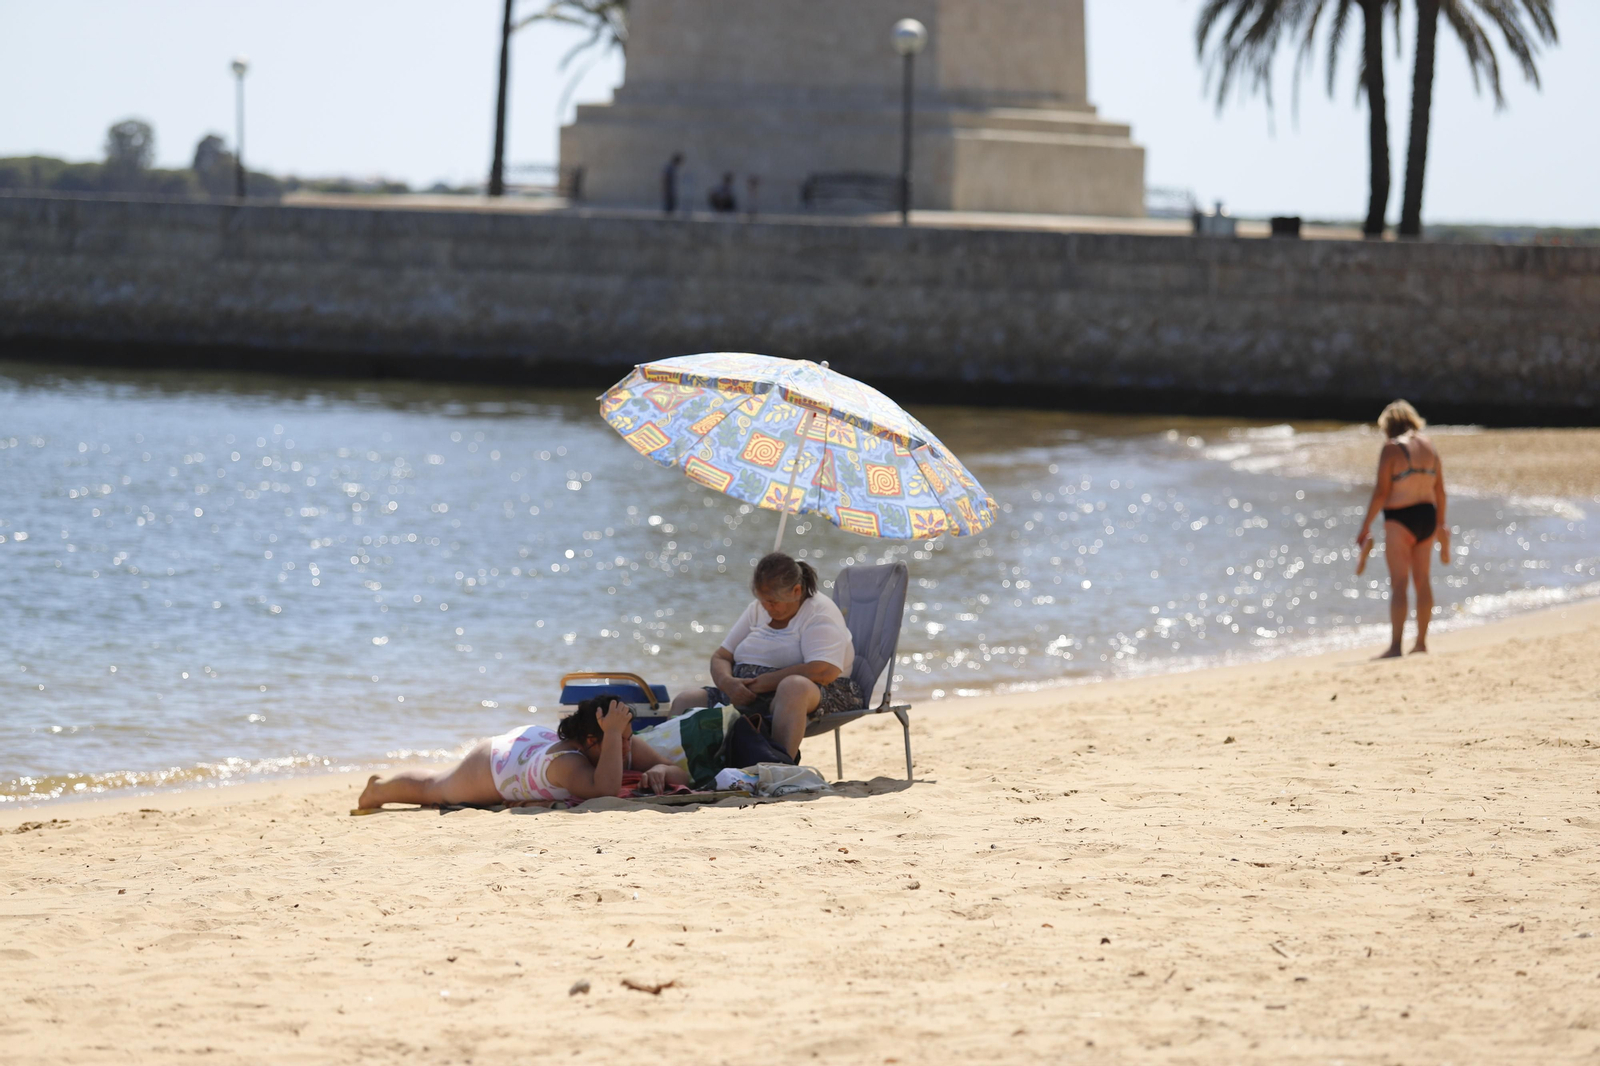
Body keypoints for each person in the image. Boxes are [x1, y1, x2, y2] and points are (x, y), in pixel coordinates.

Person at [669, 552, 863, 760]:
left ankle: (779, 764)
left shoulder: (818, 612)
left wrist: (763, 683)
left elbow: (823, 671)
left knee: (793, 687)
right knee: (686, 700)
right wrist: (728, 683)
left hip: (817, 693)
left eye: (772, 602)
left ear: (796, 591)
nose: (766, 607)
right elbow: (721, 656)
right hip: (746, 693)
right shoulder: (759, 609)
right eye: (762, 601)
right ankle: (671, 766)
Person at [356, 698, 689, 809]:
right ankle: (378, 789)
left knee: (437, 788)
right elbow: (604, 791)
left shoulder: (621, 744)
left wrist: (662, 771)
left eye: (628, 737)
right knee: (435, 790)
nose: (628, 746)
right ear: (593, 740)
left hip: (530, 747)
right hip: (496, 765)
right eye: (619, 738)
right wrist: (615, 733)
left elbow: (681, 773)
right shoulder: (568, 765)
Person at [1356, 399, 1451, 658]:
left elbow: (1380, 493)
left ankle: (1396, 646)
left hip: (1400, 517)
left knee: (1399, 582)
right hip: (1428, 515)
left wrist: (1365, 527)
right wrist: (1441, 524)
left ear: (1388, 425)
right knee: (1422, 580)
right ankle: (1421, 643)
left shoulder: (1391, 449)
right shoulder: (1429, 446)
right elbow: (1440, 491)